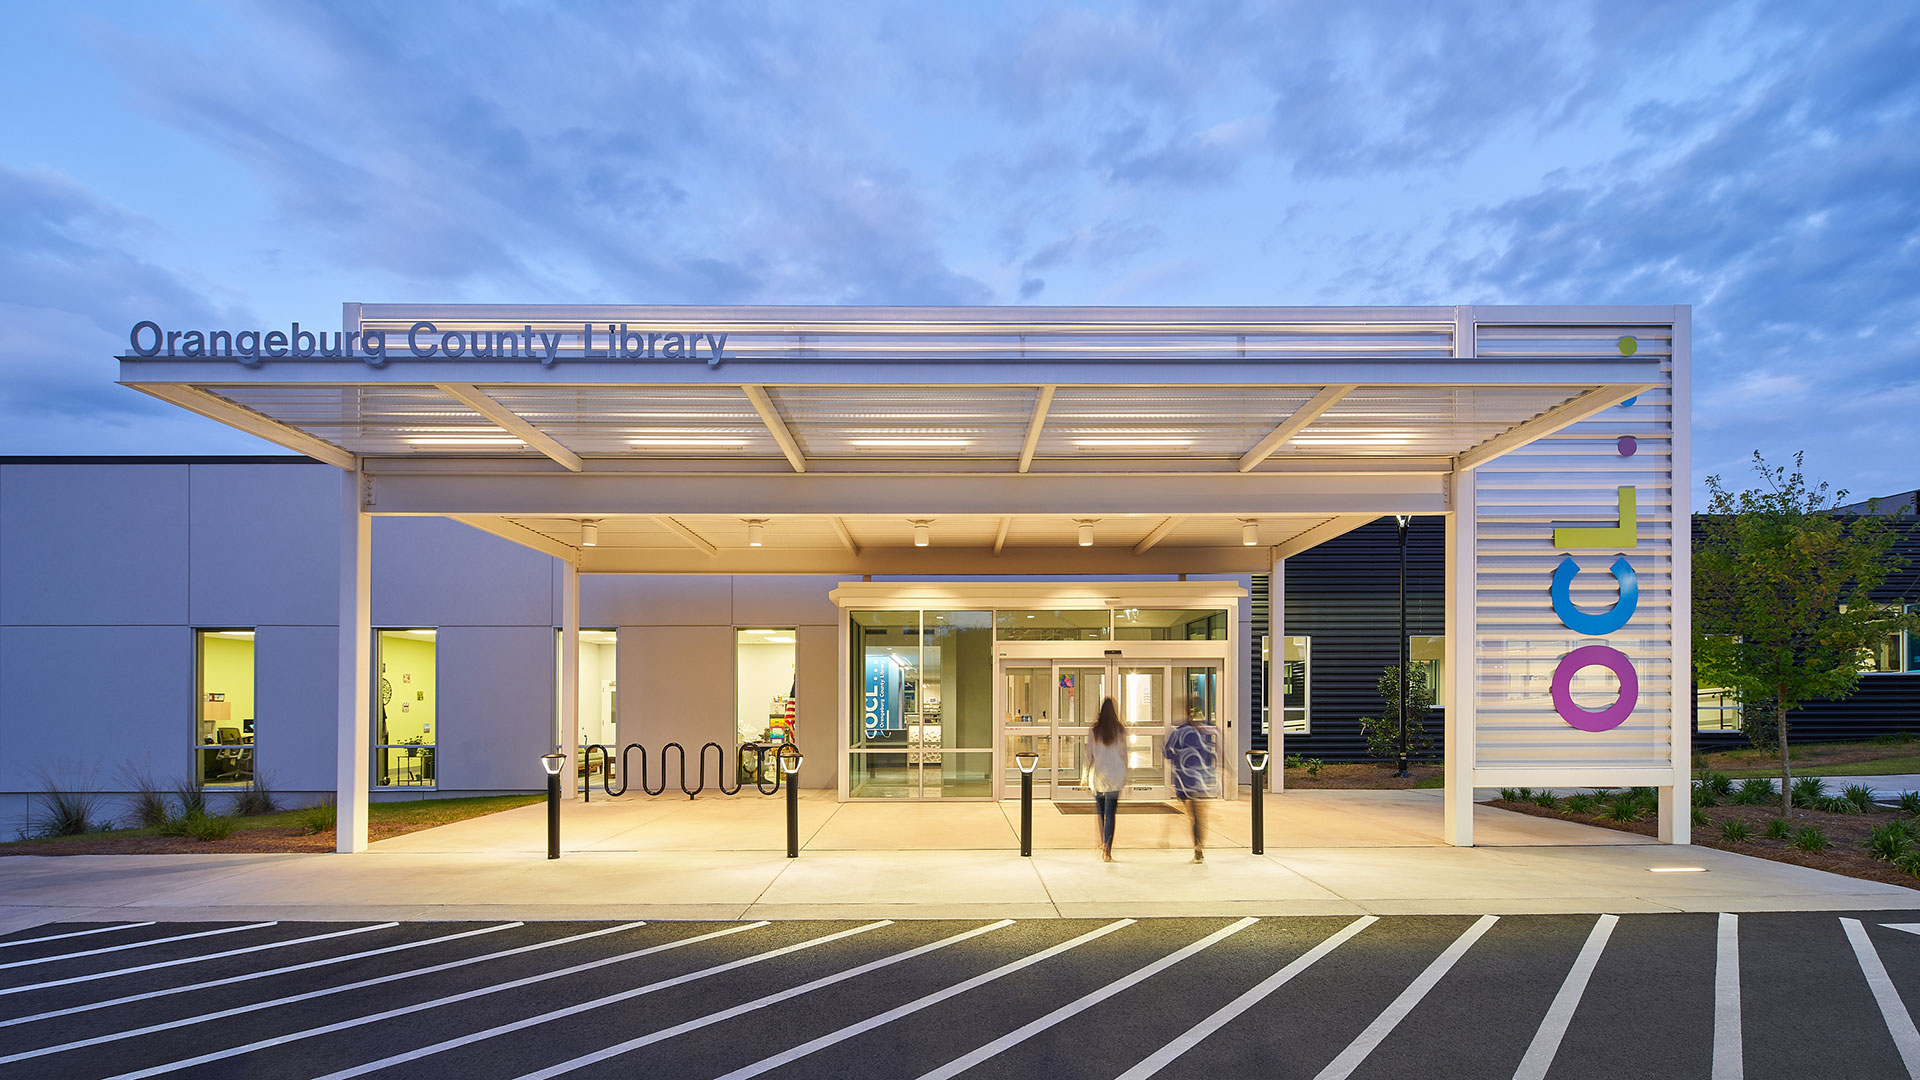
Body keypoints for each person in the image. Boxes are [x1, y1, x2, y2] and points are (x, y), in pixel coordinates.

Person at [1165, 705, 1219, 862]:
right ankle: (1198, 846)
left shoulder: (1180, 732)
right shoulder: (1204, 733)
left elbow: (1168, 752)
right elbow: (1210, 755)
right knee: (1198, 815)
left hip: (1185, 780)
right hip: (1200, 780)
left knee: (1192, 814)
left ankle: (1196, 846)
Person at [1086, 697, 1128, 861]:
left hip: (1099, 776)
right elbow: (1124, 754)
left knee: (1101, 811)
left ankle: (1104, 842)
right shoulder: (1119, 730)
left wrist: (1084, 776)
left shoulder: (1095, 730)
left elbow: (1089, 755)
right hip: (1116, 775)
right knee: (1110, 814)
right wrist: (1126, 775)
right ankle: (1107, 849)